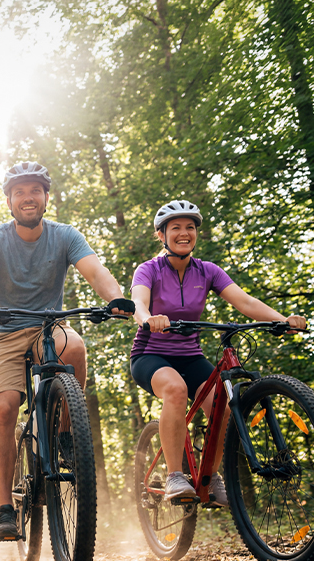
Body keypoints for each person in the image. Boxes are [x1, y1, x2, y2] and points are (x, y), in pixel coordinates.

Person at [0, 161, 125, 541]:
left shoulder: (65, 236)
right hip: (3, 331)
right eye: (19, 192)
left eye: (35, 191)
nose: (28, 198)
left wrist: (115, 298)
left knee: (76, 348)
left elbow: (96, 271)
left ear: (46, 198)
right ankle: (5, 508)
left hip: (49, 326)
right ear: (9, 201)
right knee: (5, 407)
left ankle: (66, 434)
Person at [131, 199, 307, 504]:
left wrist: (282, 321)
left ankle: (211, 479)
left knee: (224, 406)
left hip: (190, 356)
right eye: (176, 228)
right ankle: (174, 475)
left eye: (190, 227)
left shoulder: (207, 271)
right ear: (162, 235)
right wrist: (148, 319)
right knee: (175, 389)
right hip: (151, 355)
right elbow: (138, 302)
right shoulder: (150, 270)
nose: (184, 233)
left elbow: (246, 302)